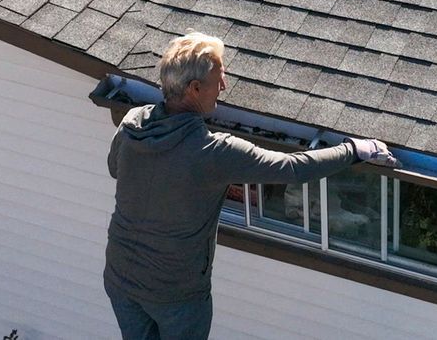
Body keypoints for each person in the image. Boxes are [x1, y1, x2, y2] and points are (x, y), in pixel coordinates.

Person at [104, 31, 397, 340]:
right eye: (219, 79)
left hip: (121, 278)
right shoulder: (212, 151)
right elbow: (292, 168)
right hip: (175, 293)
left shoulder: (134, 122)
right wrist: (354, 150)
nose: (223, 86)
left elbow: (115, 168)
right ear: (194, 88)